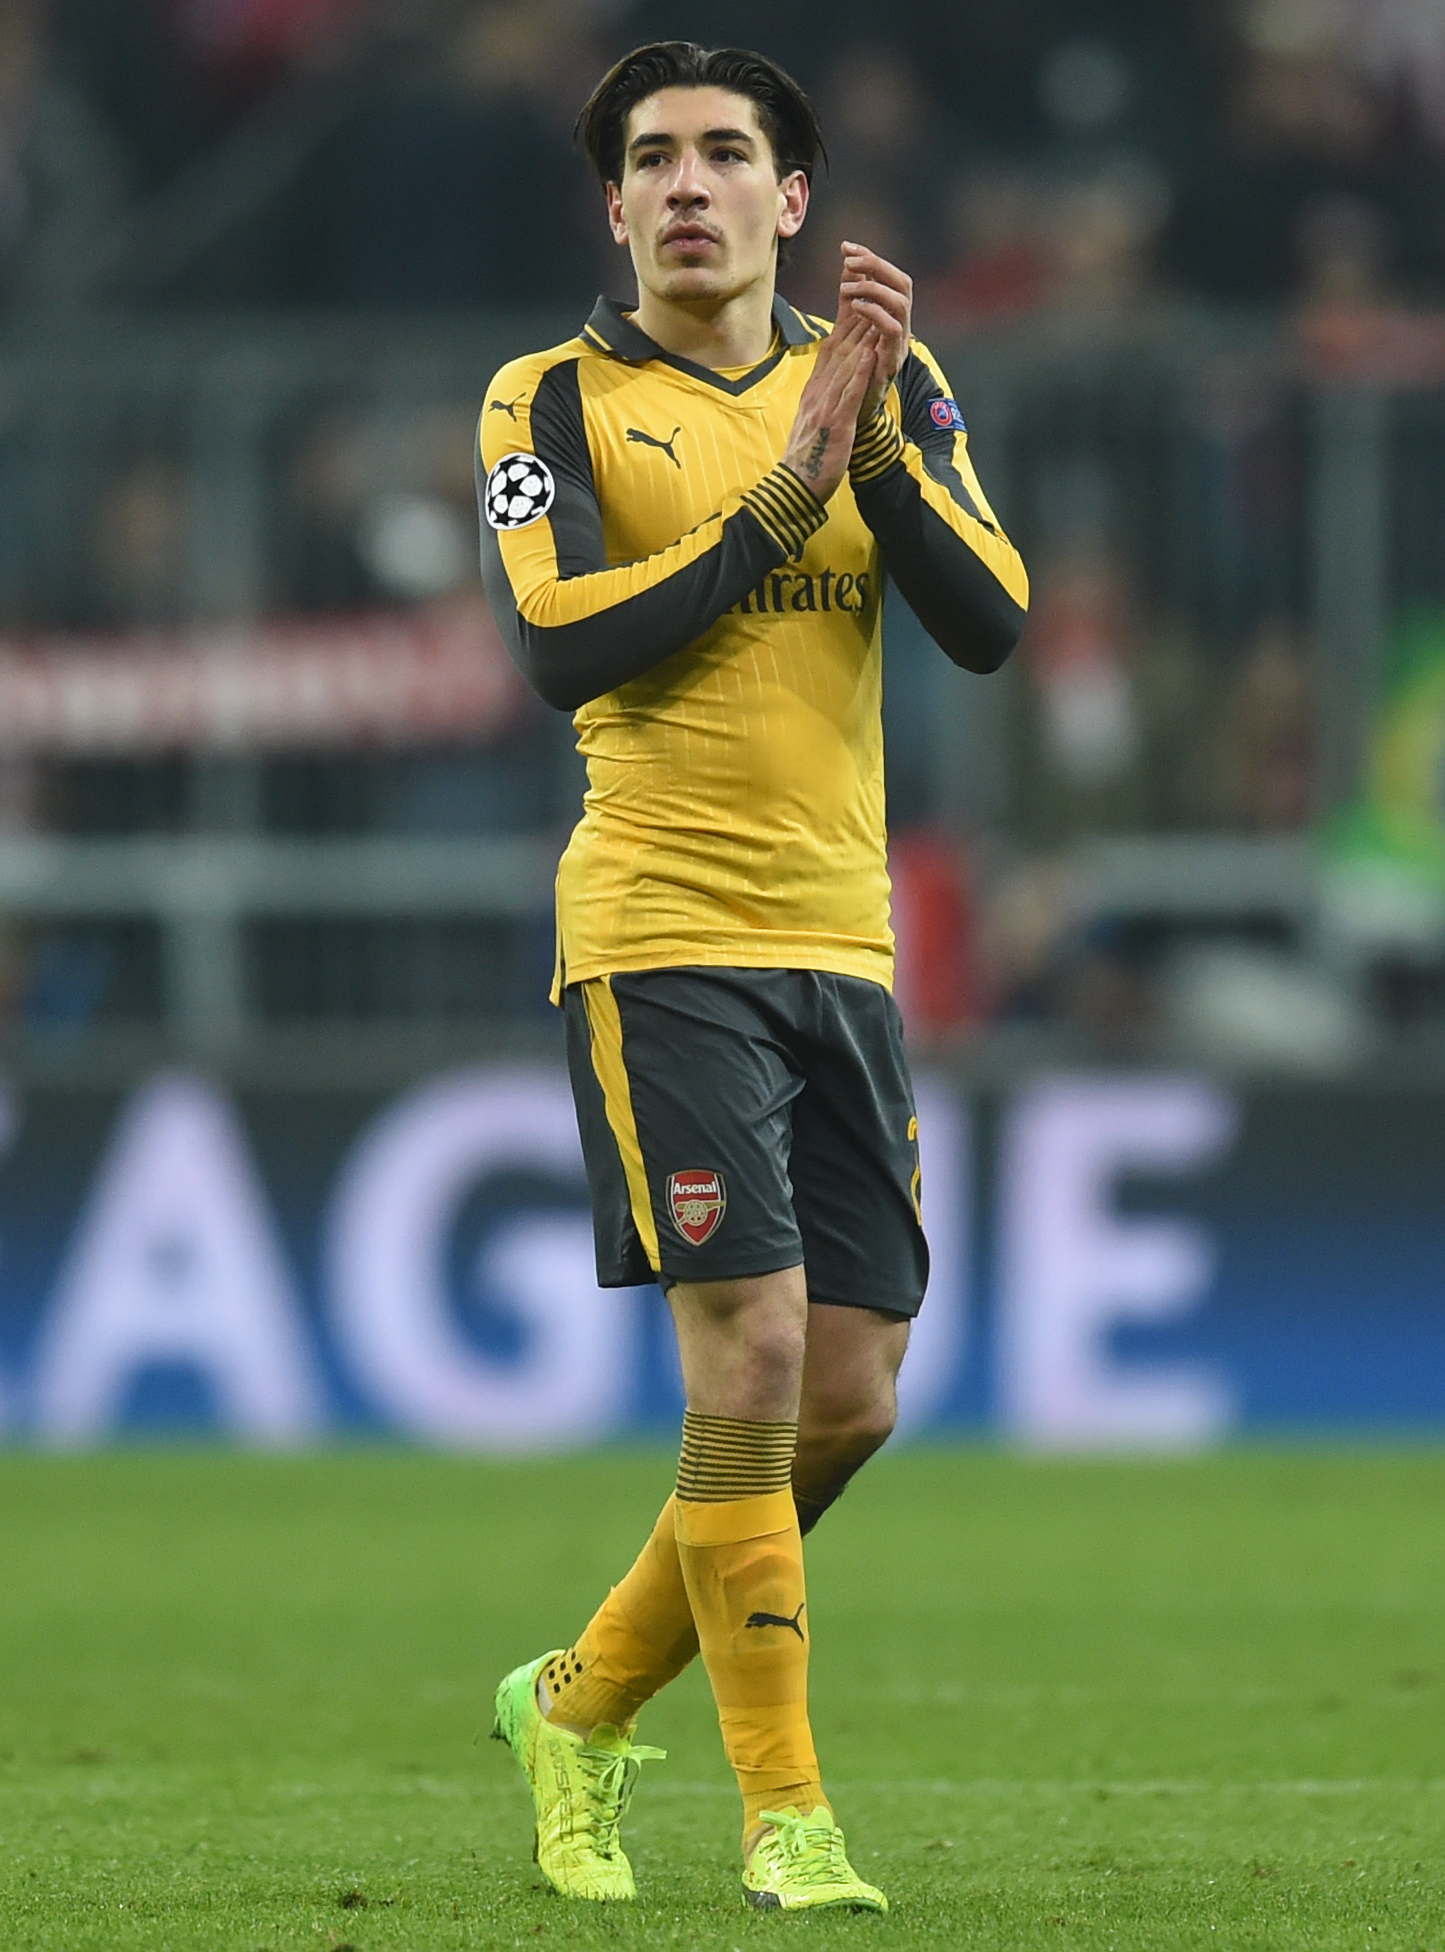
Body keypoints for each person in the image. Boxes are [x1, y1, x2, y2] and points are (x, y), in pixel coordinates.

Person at [472, 40, 1028, 1914]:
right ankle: (786, 1817)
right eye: (652, 158)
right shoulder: (542, 400)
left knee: (852, 1400)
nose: (688, 183)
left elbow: (990, 618)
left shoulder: (885, 380)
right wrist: (780, 505)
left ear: (793, 200)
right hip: (656, 930)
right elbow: (560, 647)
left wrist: (867, 443)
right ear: (612, 205)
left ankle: (578, 1697)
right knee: (755, 1357)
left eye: (726, 154)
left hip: (840, 947)